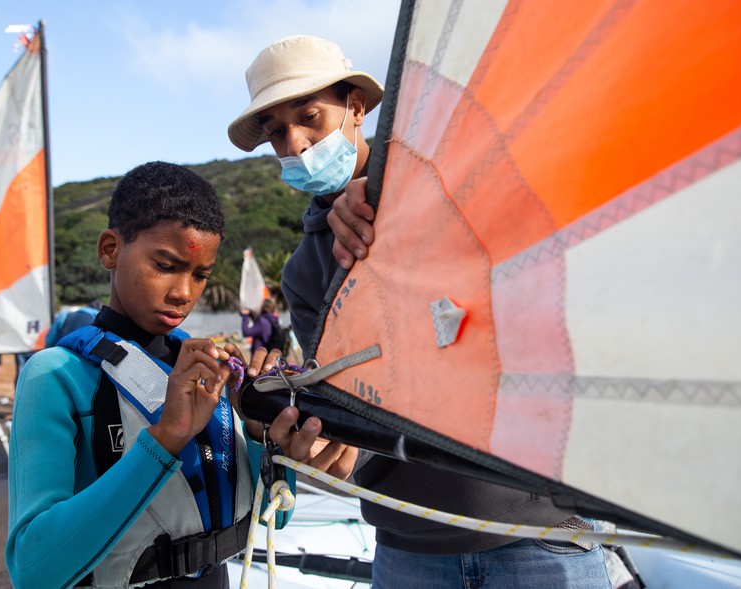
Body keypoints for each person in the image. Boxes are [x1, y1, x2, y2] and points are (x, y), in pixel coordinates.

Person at [228, 36, 612, 588]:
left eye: (309, 117)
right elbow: (356, 412)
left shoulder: (451, 180)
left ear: (356, 107)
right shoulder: (302, 274)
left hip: (542, 532)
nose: (295, 142)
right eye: (275, 131)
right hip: (407, 548)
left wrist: (402, 199)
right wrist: (323, 443)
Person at [6, 161, 295, 589]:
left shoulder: (208, 372)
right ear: (110, 249)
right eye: (164, 265)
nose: (184, 293)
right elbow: (34, 571)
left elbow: (278, 515)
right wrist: (165, 439)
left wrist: (258, 433)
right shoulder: (55, 376)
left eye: (200, 274)